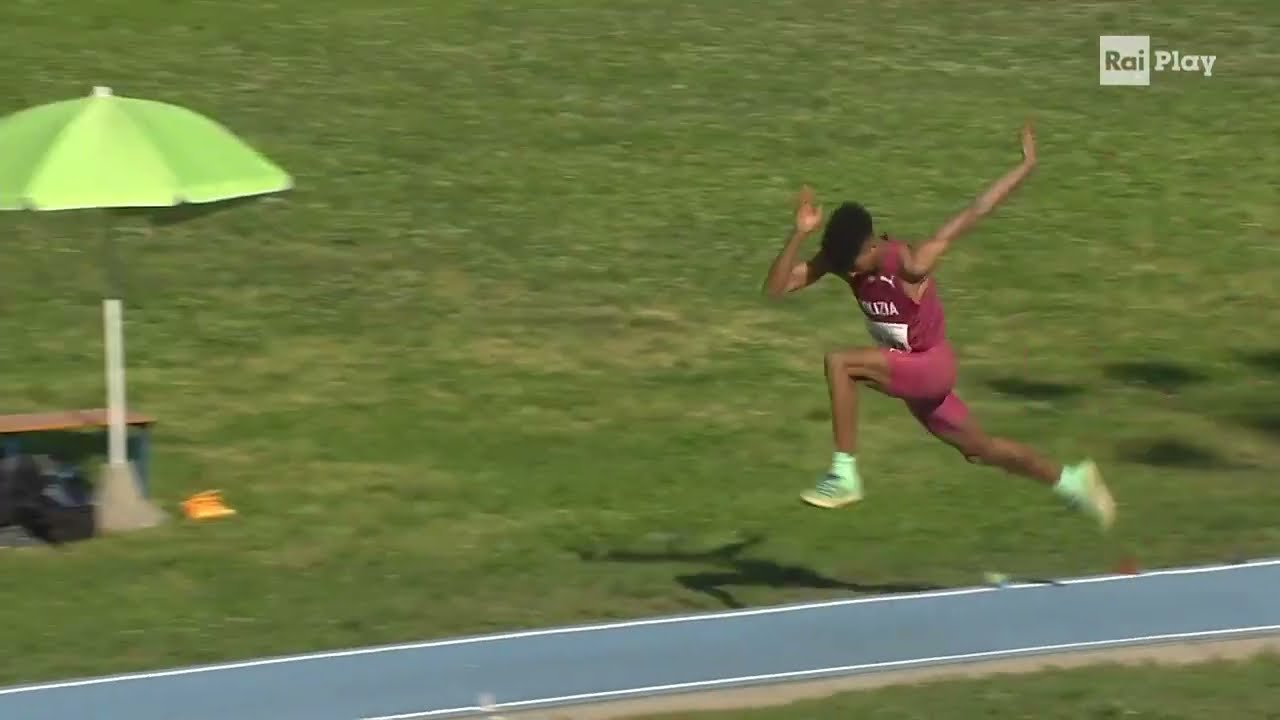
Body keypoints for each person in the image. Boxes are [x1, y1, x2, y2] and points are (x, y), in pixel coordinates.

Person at [761, 120, 1115, 529]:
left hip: (931, 367)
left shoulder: (910, 263)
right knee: (981, 450)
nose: (847, 275)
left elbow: (975, 211)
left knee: (840, 363)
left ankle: (844, 472)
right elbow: (775, 290)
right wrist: (798, 234)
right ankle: (1072, 482)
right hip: (913, 378)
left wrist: (1026, 166)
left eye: (851, 265)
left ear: (872, 246)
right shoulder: (844, 262)